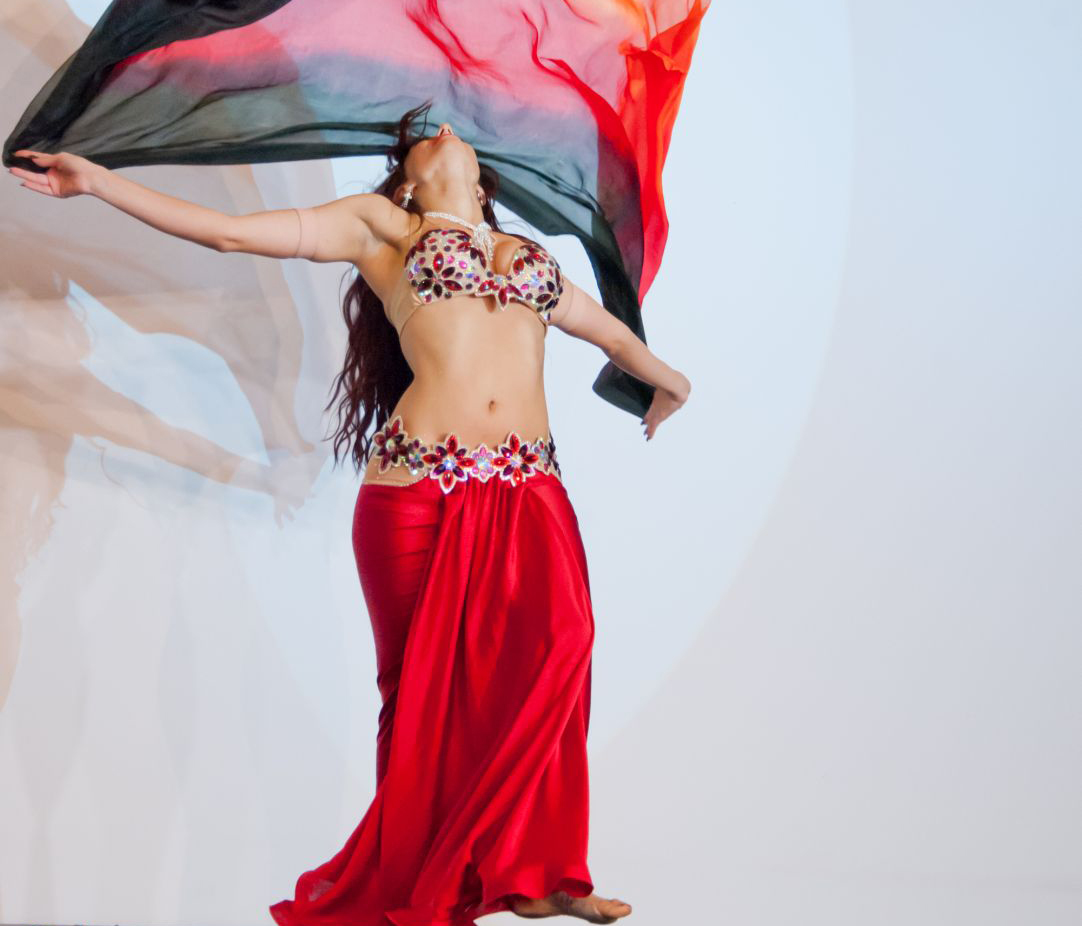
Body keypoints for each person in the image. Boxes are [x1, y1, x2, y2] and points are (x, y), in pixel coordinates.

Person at [6, 99, 691, 925]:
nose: (443, 132)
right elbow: (227, 235)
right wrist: (99, 183)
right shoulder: (382, 230)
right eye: (419, 141)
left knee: (564, 645)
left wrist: (670, 382)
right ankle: (408, 887)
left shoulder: (529, 258)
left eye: (451, 129)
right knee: (418, 697)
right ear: (405, 185)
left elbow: (612, 336)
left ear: (485, 183)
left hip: (528, 488)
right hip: (418, 490)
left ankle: (537, 869)